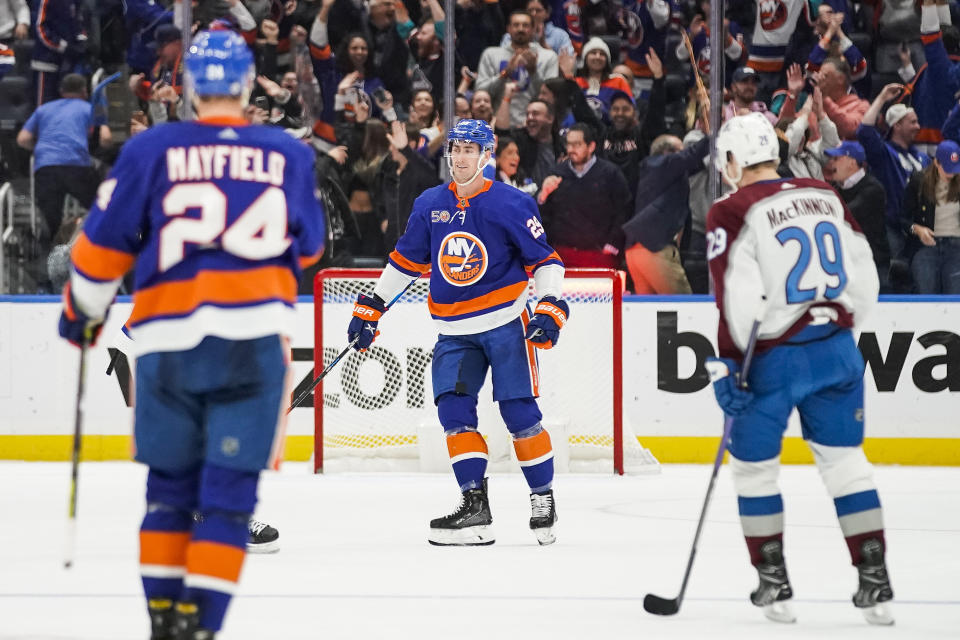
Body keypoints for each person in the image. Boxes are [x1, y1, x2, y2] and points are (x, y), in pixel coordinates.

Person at [56, 30, 325, 639]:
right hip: (253, 342)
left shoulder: (153, 149)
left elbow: (101, 249)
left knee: (168, 496)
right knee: (228, 501)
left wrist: (81, 314)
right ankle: (200, 629)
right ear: (249, 82)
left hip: (167, 343)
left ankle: (162, 624)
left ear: (191, 89)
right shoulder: (287, 154)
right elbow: (309, 246)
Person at [705, 112, 892, 626]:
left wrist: (730, 368)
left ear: (733, 160)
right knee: (846, 463)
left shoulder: (732, 207)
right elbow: (865, 271)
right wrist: (841, 326)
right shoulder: (824, 193)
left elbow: (736, 299)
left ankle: (775, 585)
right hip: (837, 349)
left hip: (773, 358)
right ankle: (875, 581)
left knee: (754, 469)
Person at [345, 119, 567, 547]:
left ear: (488, 154)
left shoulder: (513, 203)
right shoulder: (430, 203)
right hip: (453, 331)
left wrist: (550, 305)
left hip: (506, 324)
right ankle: (474, 504)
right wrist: (372, 306)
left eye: (470, 148)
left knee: (519, 414)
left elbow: (546, 261)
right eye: (456, 148)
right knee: (453, 412)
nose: (461, 156)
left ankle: (542, 496)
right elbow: (404, 261)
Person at [16, 73, 111, 267]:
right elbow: (106, 138)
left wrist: (43, 151)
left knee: (49, 222)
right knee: (102, 209)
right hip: (77, 166)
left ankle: (47, 270)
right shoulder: (89, 107)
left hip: (46, 168)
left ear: (61, 91)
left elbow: (22, 139)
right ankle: (100, 253)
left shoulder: (44, 109)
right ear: (84, 91)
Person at [538, 123, 631, 268]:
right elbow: (544, 214)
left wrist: (614, 244)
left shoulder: (611, 173)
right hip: (563, 255)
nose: (570, 150)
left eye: (577, 144)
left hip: (600, 255)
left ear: (591, 146)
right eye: (568, 144)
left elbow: (623, 211)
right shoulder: (556, 173)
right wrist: (542, 196)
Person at [825, 141, 891, 291]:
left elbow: (846, 214)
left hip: (874, 265)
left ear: (852, 163)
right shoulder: (835, 190)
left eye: (836, 159)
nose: (831, 164)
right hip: (847, 264)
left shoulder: (873, 189)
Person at [476, 10, 559, 128]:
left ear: (533, 29)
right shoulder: (491, 54)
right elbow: (480, 92)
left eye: (525, 25)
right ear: (508, 29)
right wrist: (505, 74)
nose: (520, 29)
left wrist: (533, 72)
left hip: (534, 126)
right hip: (497, 124)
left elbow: (550, 99)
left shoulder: (548, 56)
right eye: (516, 25)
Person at [903, 140, 960, 293]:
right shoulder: (919, 181)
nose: (952, 174)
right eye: (947, 168)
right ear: (936, 162)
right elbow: (902, 218)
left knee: (955, 296)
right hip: (926, 248)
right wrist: (917, 229)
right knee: (925, 292)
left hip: (957, 247)